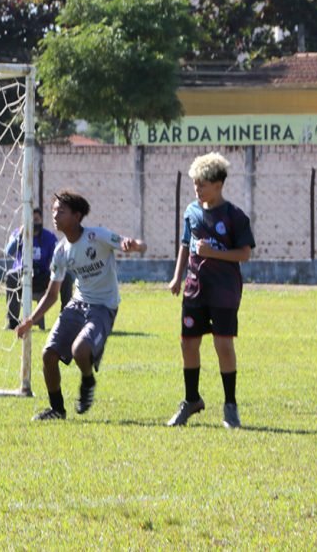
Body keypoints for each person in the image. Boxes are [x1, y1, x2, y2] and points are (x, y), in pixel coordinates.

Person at [16, 190, 147, 421]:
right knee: (48, 355)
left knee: (80, 351)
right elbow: (52, 294)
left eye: (61, 211)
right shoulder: (61, 250)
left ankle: (88, 380)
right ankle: (57, 409)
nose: (55, 215)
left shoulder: (98, 236)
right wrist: (30, 321)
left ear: (77, 216)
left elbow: (141, 245)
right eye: (53, 211)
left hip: (103, 307)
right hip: (77, 304)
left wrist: (133, 245)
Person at [166, 152, 255, 429]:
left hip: (224, 292)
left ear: (218, 185)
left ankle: (230, 406)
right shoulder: (191, 212)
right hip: (195, 289)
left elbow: (244, 254)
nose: (197, 188)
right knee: (188, 343)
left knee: (223, 346)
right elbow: (184, 245)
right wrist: (177, 276)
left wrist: (215, 254)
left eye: (202, 184)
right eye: (195, 184)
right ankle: (191, 399)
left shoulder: (234, 216)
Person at [4, 208, 72, 330]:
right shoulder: (17, 234)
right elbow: (8, 251)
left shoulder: (49, 237)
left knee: (66, 276)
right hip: (22, 275)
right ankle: (13, 322)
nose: (34, 223)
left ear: (41, 221)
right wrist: (20, 235)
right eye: (31, 220)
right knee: (10, 275)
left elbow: (58, 257)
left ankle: (67, 319)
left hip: (43, 275)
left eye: (37, 220)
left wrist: (55, 268)